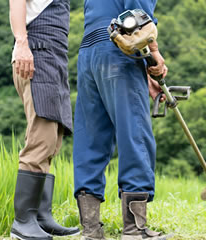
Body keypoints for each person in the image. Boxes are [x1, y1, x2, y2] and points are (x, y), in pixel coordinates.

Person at [73, 0, 172, 239]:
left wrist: (144, 72)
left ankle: (91, 229)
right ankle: (134, 229)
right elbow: (139, 22)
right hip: (118, 54)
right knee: (134, 133)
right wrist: (155, 56)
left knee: (90, 137)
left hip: (88, 55)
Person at [9, 0, 79, 239]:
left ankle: (41, 217)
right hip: (36, 52)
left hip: (54, 57)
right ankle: (23, 221)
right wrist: (21, 43)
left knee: (53, 139)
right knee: (42, 135)